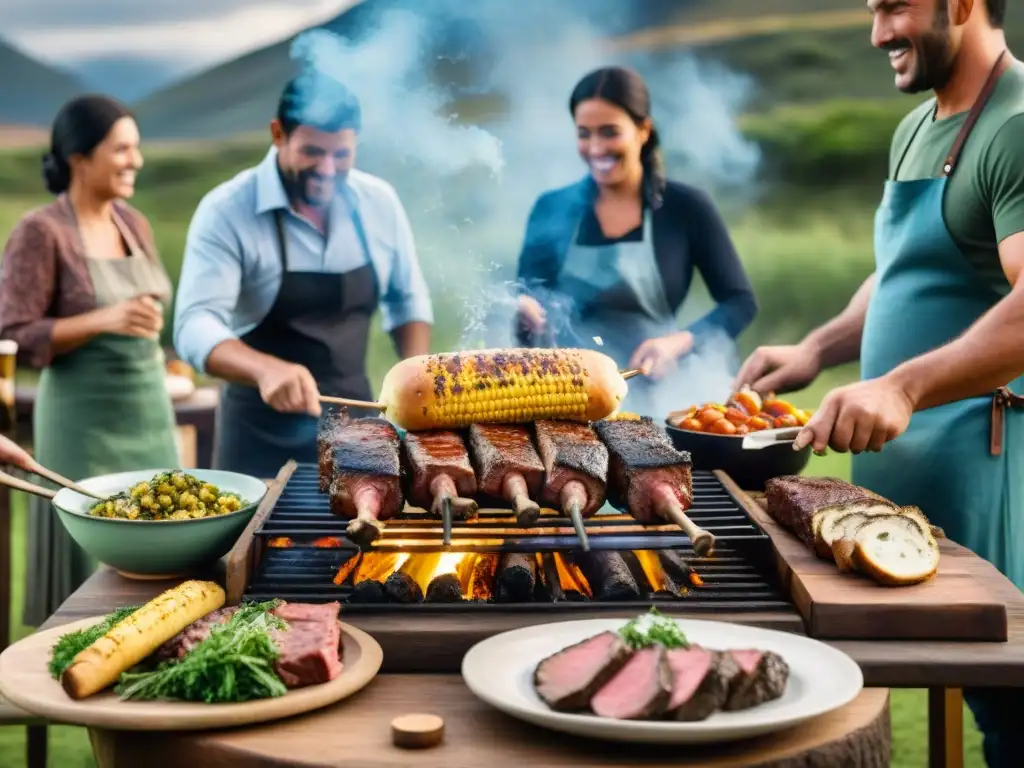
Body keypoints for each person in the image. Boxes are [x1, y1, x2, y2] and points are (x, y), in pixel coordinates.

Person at [735, 1, 1023, 764]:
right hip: (889, 485)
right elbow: (905, 271)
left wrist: (898, 389)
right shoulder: (916, 127)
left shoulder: (1018, 123)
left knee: (1012, 712)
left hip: (982, 477)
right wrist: (817, 347)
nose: (877, 33)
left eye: (895, 6)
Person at [173, 69, 433, 479]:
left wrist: (421, 388)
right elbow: (193, 325)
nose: (328, 169)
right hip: (258, 443)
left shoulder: (379, 202)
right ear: (278, 134)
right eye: (312, 152)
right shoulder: (227, 209)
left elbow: (408, 301)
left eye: (341, 154)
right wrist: (265, 369)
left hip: (358, 435)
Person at [0, 95, 178, 626]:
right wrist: (103, 320)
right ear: (80, 156)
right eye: (121, 148)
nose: (135, 160)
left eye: (137, 148)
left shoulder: (134, 223)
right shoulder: (42, 231)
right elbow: (11, 332)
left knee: (164, 547)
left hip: (151, 418)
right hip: (83, 428)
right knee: (90, 565)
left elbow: (139, 318)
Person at [514, 66, 757, 416]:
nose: (596, 147)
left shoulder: (685, 208)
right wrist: (523, 310)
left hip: (658, 401)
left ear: (644, 130)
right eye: (584, 134)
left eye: (610, 132)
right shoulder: (552, 208)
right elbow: (527, 296)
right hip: (563, 404)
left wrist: (677, 343)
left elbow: (740, 302)